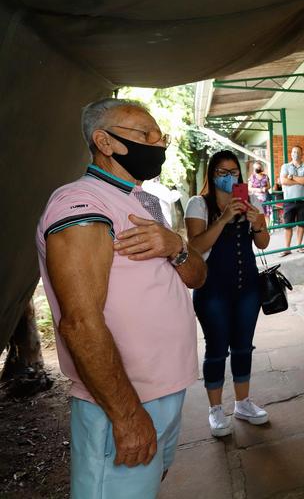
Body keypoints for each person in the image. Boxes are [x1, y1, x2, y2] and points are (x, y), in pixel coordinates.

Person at [36, 98, 206, 499]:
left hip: (163, 391)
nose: (158, 144)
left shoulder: (142, 200)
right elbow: (79, 323)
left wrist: (176, 246)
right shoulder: (80, 204)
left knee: (143, 487)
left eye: (159, 136)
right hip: (122, 400)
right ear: (105, 142)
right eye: (144, 135)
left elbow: (197, 277)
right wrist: (127, 416)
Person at [185, 151, 271, 438]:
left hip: (248, 286)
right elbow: (195, 247)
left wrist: (257, 222)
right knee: (217, 348)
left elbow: (262, 243)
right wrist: (223, 219)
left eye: (233, 171)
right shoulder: (199, 204)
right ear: (211, 174)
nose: (228, 176)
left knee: (244, 345)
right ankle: (215, 409)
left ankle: (243, 403)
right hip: (212, 289)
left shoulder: (251, 201)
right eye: (222, 172)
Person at [279, 145, 304, 255]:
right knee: (288, 225)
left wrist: (292, 177)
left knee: (301, 225)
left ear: (302, 154)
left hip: (303, 200)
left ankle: (299, 246)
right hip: (289, 200)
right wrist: (300, 181)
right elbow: (283, 181)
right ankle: (287, 248)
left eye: (298, 152)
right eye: (293, 152)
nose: (295, 154)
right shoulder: (285, 166)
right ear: (291, 153)